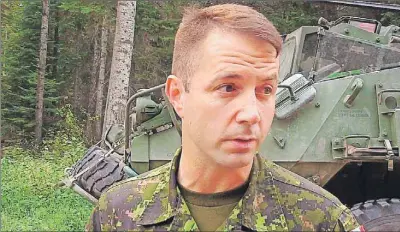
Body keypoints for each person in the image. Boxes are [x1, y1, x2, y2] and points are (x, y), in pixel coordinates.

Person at [86, 4, 361, 231]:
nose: (252, 114)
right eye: (228, 87)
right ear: (178, 95)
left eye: (266, 90)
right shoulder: (117, 213)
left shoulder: (322, 220)